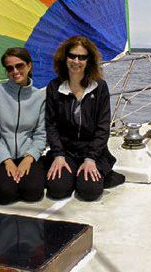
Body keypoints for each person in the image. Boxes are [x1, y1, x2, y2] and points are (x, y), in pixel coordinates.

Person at [45, 36, 125, 201]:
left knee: (89, 192)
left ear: (89, 61)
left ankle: (99, 172)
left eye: (82, 57)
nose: (76, 61)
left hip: (93, 152)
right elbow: (51, 125)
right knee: (57, 190)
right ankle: (77, 175)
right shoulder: (54, 87)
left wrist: (91, 158)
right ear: (65, 58)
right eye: (72, 56)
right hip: (66, 152)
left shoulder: (99, 87)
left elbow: (103, 127)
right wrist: (58, 155)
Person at [0, 47, 46, 204]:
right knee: (5, 194)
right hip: (0, 156)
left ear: (29, 66)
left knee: (33, 193)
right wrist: (7, 160)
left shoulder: (39, 97)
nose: (15, 71)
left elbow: (41, 134)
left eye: (19, 66)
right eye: (10, 68)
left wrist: (29, 158)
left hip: (27, 155)